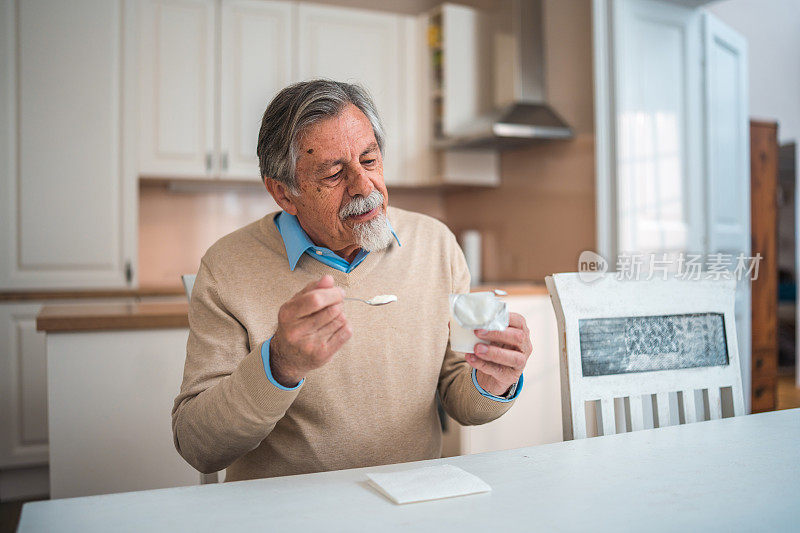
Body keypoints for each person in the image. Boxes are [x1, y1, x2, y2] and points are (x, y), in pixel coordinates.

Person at [172, 79, 533, 481]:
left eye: (370, 160)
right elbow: (198, 446)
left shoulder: (436, 244)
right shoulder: (227, 268)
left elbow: (459, 395)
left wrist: (492, 381)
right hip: (290, 515)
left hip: (410, 504)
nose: (364, 186)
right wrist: (279, 365)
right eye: (333, 174)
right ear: (284, 194)